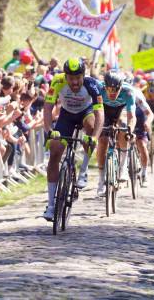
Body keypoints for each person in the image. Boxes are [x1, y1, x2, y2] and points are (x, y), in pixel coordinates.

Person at [42, 58, 104, 221]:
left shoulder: (92, 85)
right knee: (55, 152)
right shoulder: (57, 81)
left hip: (86, 113)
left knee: (90, 131)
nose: (75, 82)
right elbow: (48, 107)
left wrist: (95, 137)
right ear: (66, 76)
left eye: (78, 78)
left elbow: (100, 114)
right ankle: (51, 205)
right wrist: (49, 129)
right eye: (71, 78)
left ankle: (83, 171)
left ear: (83, 75)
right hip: (66, 116)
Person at [94, 71, 136, 196]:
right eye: (109, 89)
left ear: (121, 87)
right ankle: (101, 179)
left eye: (115, 90)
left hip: (120, 110)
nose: (112, 93)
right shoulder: (99, 89)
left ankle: (123, 168)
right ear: (105, 86)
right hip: (104, 111)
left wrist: (130, 129)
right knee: (102, 141)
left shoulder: (128, 91)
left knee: (123, 127)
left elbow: (131, 116)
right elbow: (94, 111)